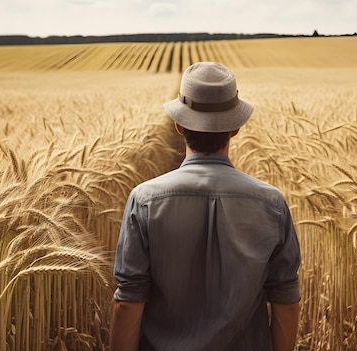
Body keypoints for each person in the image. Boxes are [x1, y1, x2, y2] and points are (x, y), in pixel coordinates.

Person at [110, 61, 301, 351]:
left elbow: (128, 303)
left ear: (178, 125)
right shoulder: (271, 203)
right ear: (235, 128)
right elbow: (286, 303)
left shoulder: (144, 200)